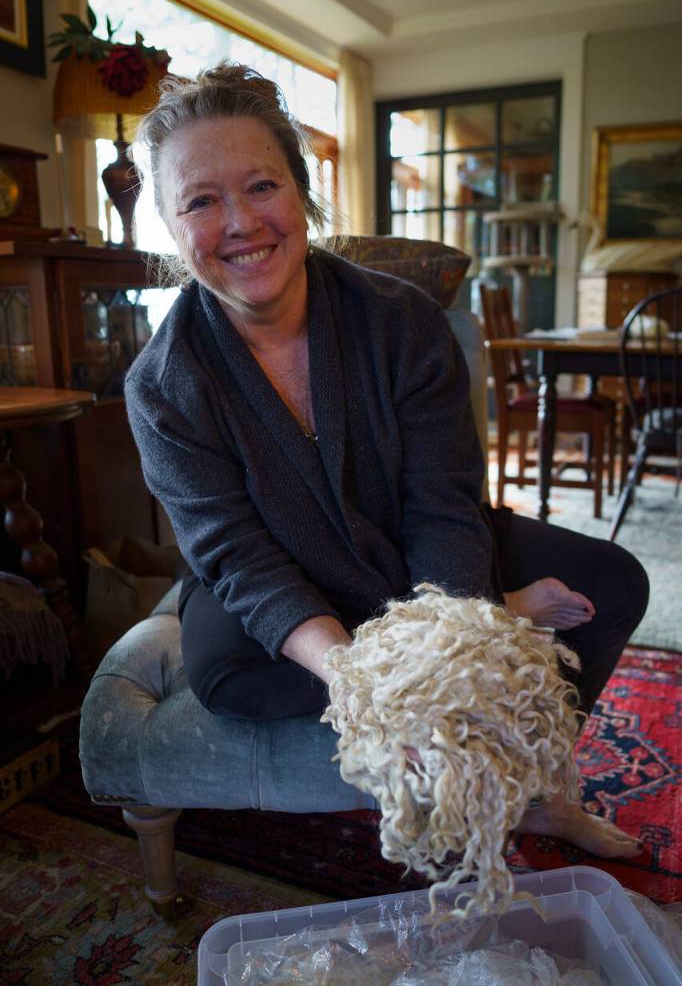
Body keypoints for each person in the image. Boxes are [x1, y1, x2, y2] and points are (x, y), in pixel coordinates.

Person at [125, 63, 649, 860]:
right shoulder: (162, 384)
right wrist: (375, 683)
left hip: (405, 539)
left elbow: (442, 502)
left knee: (614, 582)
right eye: (200, 200)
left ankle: (528, 788)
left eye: (262, 186)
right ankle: (502, 610)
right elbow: (235, 554)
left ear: (301, 193)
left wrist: (452, 640)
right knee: (228, 674)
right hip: (277, 570)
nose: (240, 222)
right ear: (170, 225)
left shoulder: (402, 320)